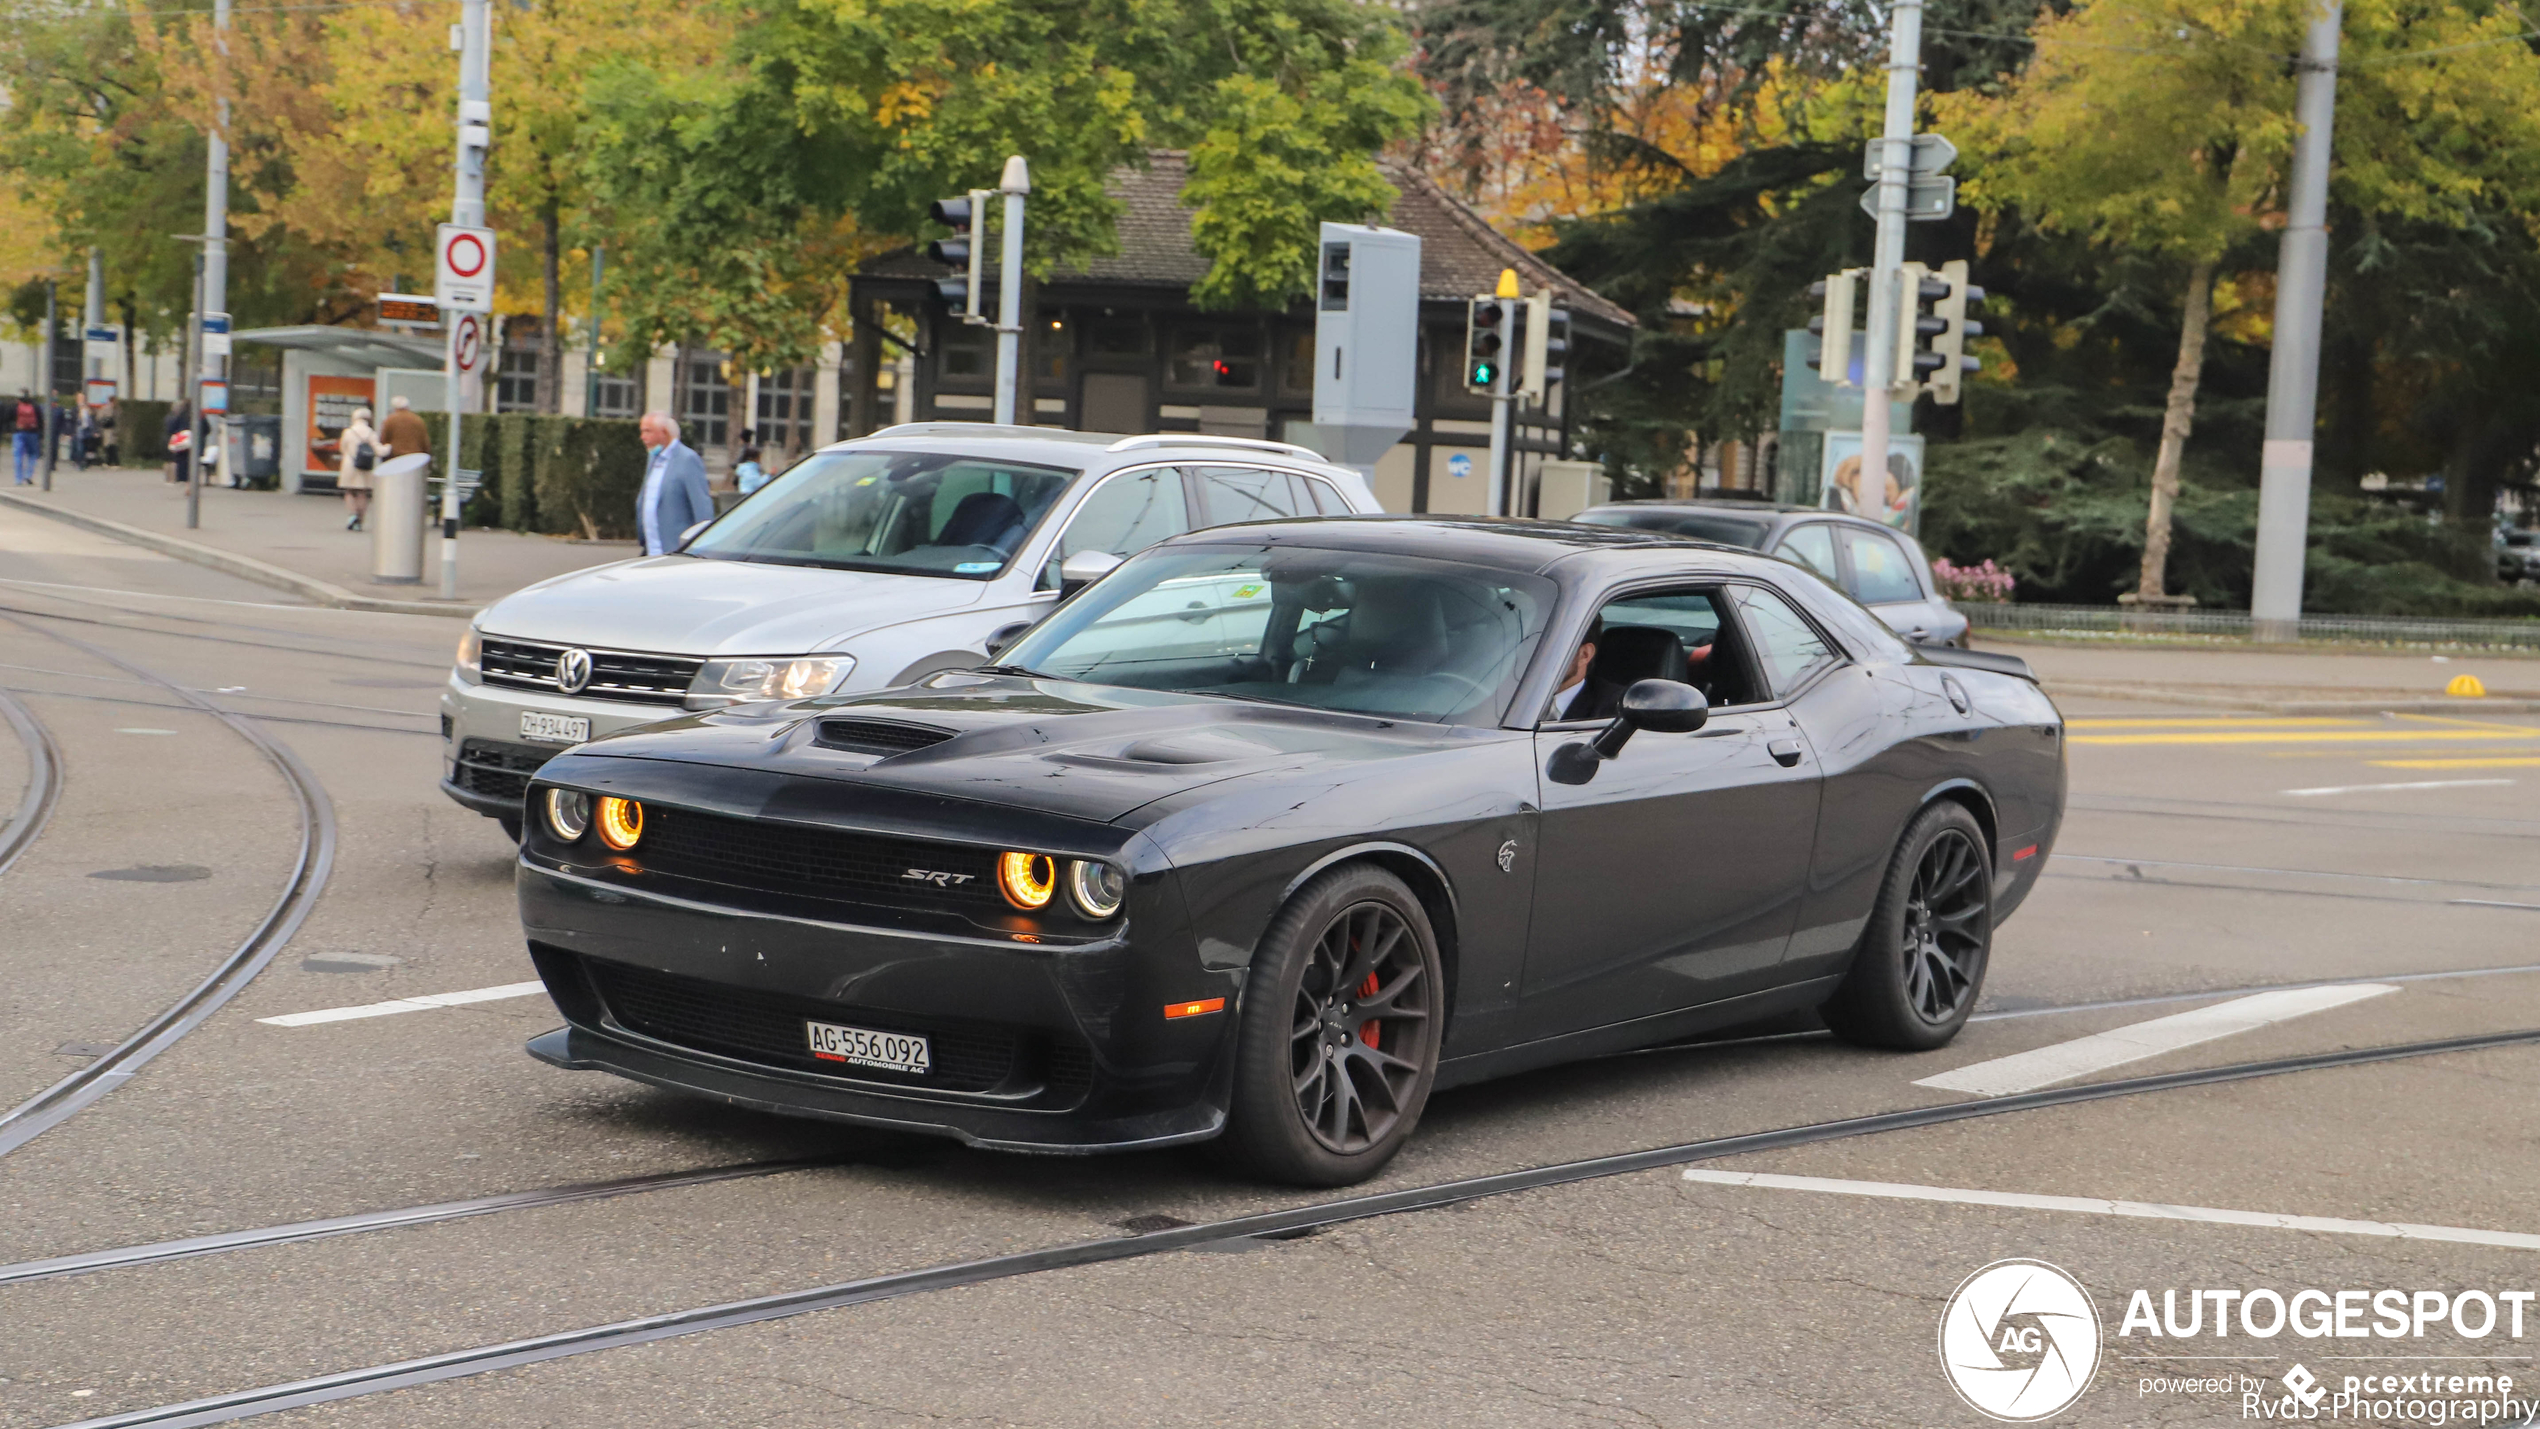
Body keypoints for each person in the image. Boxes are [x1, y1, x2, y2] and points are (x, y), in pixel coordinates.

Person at [635, 411, 713, 555]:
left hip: (676, 550)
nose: (642, 437)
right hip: (651, 550)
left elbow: (702, 507)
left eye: (647, 431)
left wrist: (703, 547)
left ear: (664, 433)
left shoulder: (687, 459)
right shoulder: (653, 457)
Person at [337, 405, 380, 531]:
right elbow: (377, 450)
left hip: (349, 464)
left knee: (349, 491)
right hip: (365, 465)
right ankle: (360, 520)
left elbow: (342, 449)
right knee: (362, 492)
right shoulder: (372, 433)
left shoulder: (348, 432)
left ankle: (352, 515)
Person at [378, 394, 431, 465]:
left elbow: (384, 440)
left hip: (395, 458)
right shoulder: (418, 420)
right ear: (407, 406)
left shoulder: (389, 420)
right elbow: (425, 442)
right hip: (415, 458)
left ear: (394, 407)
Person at [11, 393, 38, 485]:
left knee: (18, 455)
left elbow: (9, 418)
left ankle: (18, 479)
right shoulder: (35, 407)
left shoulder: (16, 407)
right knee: (32, 454)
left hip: (18, 432)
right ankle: (28, 475)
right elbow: (40, 420)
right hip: (32, 433)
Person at [165, 399, 193, 486]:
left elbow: (172, 428)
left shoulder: (180, 415)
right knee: (189, 460)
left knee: (181, 459)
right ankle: (189, 478)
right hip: (193, 440)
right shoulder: (196, 416)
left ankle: (181, 478)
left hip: (181, 440)